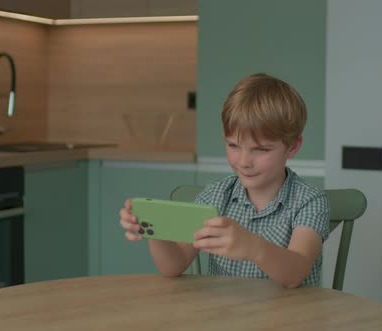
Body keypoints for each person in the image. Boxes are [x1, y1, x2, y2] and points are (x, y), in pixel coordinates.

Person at [119, 73, 330, 288]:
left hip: (293, 319)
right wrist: (154, 228)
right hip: (226, 315)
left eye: (261, 149)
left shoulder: (309, 201)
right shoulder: (216, 196)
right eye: (233, 145)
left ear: (292, 147)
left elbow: (295, 273)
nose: (244, 161)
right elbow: (173, 266)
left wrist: (254, 248)